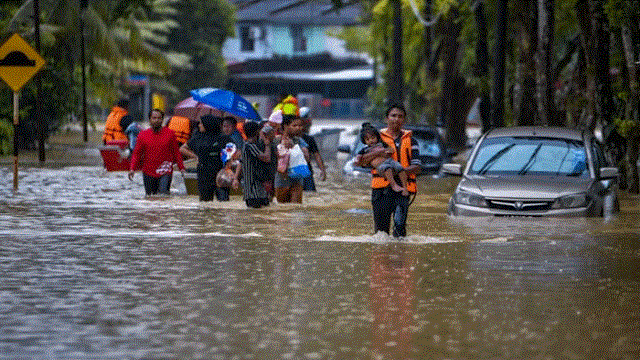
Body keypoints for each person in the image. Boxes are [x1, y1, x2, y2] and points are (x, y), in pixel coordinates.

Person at [355, 104, 422, 237]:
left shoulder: (412, 141)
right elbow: (361, 162)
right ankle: (382, 256)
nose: (396, 119)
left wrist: (395, 171)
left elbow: (417, 167)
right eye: (393, 115)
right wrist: (378, 153)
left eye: (400, 116)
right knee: (381, 233)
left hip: (403, 190)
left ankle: (399, 256)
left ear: (404, 119)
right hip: (381, 191)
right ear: (387, 118)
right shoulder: (375, 138)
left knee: (400, 230)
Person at [129, 109, 185, 196]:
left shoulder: (170, 134)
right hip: (148, 172)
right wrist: (132, 169)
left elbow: (176, 152)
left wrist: (181, 168)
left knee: (163, 195)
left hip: (165, 170)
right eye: (154, 118)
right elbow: (137, 154)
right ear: (150, 119)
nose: (156, 120)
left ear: (162, 120)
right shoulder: (143, 135)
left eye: (159, 118)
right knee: (150, 197)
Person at [179, 115, 232, 202]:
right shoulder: (197, 138)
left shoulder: (223, 138)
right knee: (205, 202)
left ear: (207, 124)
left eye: (201, 123)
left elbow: (234, 152)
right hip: (204, 174)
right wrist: (195, 156)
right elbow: (182, 149)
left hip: (221, 173)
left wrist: (227, 167)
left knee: (223, 200)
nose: (199, 125)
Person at [357, 123, 410, 196]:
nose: (371, 140)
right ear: (364, 141)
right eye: (368, 139)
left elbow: (391, 150)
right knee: (387, 168)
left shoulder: (382, 144)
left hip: (390, 161)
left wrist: (387, 151)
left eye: (373, 138)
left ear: (377, 137)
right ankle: (394, 185)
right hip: (381, 165)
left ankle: (405, 188)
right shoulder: (365, 149)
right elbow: (359, 158)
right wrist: (378, 153)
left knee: (400, 167)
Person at [232, 121, 273, 208]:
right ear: (257, 132)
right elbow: (267, 158)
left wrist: (236, 178)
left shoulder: (247, 146)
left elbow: (241, 163)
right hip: (254, 192)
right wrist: (267, 145)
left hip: (257, 191)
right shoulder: (250, 146)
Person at [274, 114, 310, 204]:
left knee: (295, 208)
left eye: (300, 125)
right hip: (281, 179)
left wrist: (294, 147)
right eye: (294, 125)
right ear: (285, 126)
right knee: (282, 210)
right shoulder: (276, 140)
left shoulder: (299, 141)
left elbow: (307, 159)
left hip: (297, 179)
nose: (298, 128)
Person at [299, 107, 326, 191]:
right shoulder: (289, 139)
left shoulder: (309, 139)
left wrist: (322, 170)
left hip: (307, 173)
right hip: (294, 173)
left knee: (310, 194)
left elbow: (316, 155)